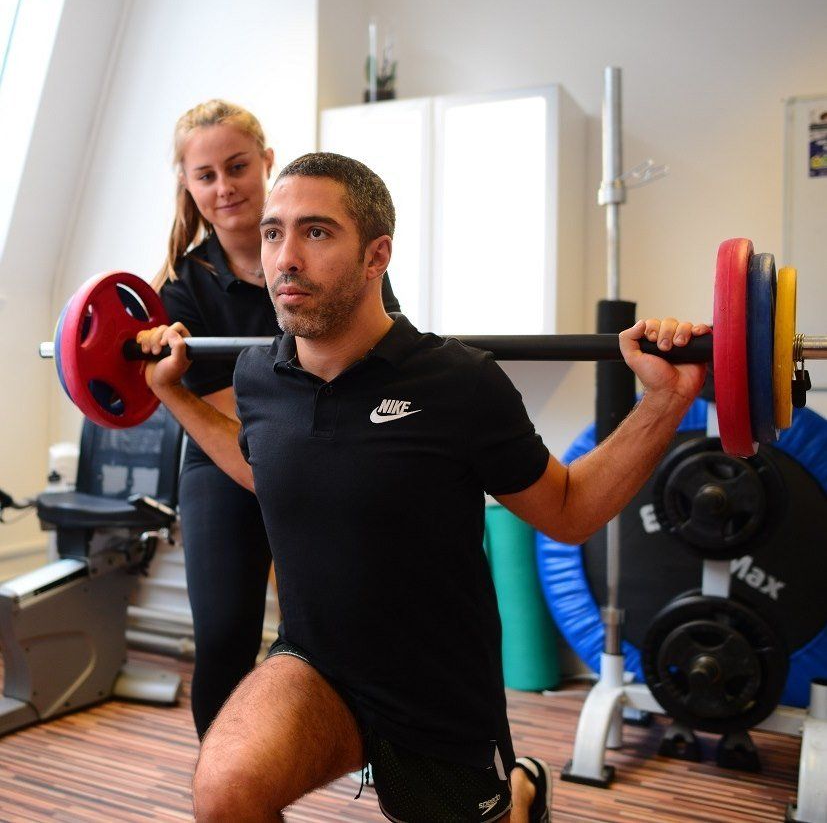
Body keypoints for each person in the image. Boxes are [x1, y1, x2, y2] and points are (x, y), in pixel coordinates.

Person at [138, 152, 710, 822]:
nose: (284, 257)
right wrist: (173, 394)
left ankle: (520, 786)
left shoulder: (458, 382)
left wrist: (664, 401)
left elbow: (567, 510)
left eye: (315, 232)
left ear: (376, 254)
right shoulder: (260, 377)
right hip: (315, 666)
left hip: (436, 690)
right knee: (225, 790)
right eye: (273, 233)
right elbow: (265, 473)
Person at [152, 103, 401, 740]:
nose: (224, 186)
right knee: (225, 635)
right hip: (223, 459)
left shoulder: (333, 256)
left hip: (328, 450)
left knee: (353, 625)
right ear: (187, 185)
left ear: (266, 161)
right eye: (205, 175)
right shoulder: (183, 290)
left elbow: (376, 361)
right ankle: (225, 788)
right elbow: (234, 421)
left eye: (237, 166)